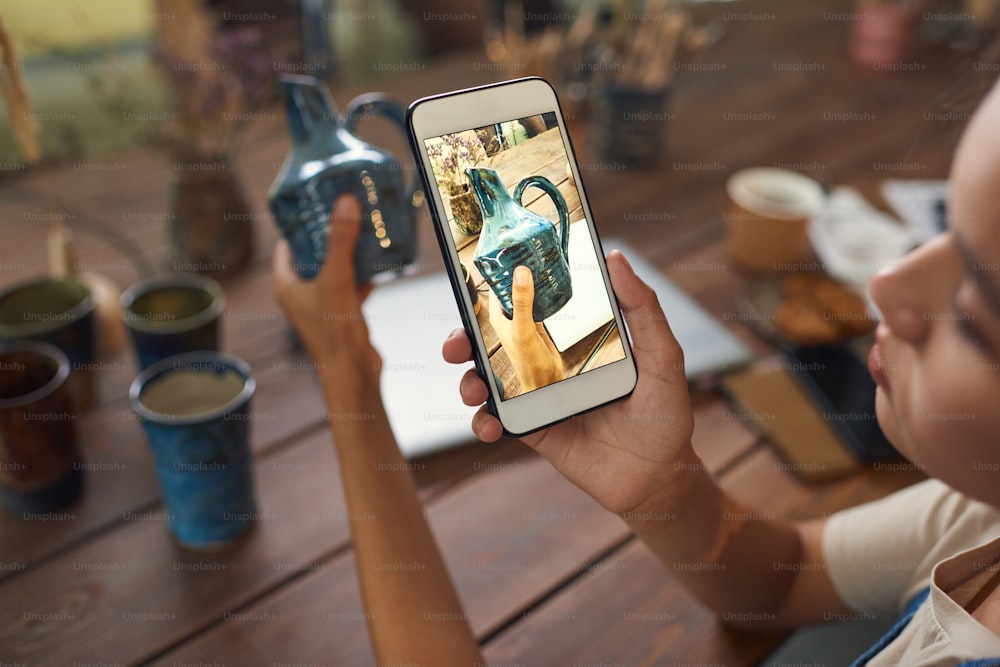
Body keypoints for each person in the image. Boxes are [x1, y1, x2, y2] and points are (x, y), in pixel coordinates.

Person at [274, 81, 1000, 666]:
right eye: (943, 233)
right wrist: (664, 487)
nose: (885, 281)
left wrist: (346, 365)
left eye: (975, 310)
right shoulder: (982, 515)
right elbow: (782, 582)